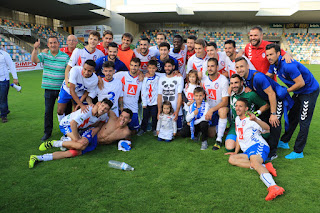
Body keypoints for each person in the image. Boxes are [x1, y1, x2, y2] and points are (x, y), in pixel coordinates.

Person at [265, 43, 320, 159]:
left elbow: (301, 83)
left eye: (271, 54)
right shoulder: (273, 65)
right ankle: (284, 141)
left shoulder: (288, 66)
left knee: (304, 120)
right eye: (267, 55)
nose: (269, 57)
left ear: (278, 54)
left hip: (309, 91)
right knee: (292, 116)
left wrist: (286, 91)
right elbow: (267, 77)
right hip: (299, 92)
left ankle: (298, 151)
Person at [225, 98, 284, 201]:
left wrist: (256, 119)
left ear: (246, 108)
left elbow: (267, 128)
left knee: (255, 163)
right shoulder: (238, 120)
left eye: (240, 106)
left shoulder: (251, 119)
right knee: (232, 159)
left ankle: (273, 187)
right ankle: (265, 166)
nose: (237, 108)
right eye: (236, 106)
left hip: (258, 146)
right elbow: (239, 136)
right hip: (248, 150)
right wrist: (235, 152)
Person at [235, 56, 293, 160]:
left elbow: (271, 94)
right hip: (268, 101)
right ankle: (265, 144)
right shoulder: (244, 78)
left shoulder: (258, 77)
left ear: (248, 66)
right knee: (263, 121)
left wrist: (273, 114)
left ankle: (273, 152)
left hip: (277, 99)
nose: (239, 69)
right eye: (237, 67)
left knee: (274, 122)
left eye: (242, 67)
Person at [29, 99, 113, 169]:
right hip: (67, 124)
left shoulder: (103, 115)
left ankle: (39, 157)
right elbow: (73, 123)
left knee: (78, 148)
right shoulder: (87, 110)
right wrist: (77, 139)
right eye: (102, 106)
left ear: (108, 111)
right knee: (79, 144)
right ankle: (55, 143)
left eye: (106, 108)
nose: (103, 109)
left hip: (80, 129)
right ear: (98, 104)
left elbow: (101, 122)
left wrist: (96, 129)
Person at [31, 36, 70, 141]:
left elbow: (68, 71)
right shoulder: (44, 55)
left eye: (55, 43)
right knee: (48, 111)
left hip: (61, 90)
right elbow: (34, 60)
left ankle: (68, 131)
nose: (53, 45)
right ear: (48, 45)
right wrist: (35, 49)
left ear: (58, 44)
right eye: (51, 43)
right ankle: (47, 132)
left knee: (65, 111)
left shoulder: (65, 57)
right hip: (48, 88)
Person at [226, 74, 269, 152]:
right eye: (231, 83)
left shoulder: (250, 94)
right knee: (229, 147)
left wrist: (255, 114)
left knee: (266, 133)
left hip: (249, 124)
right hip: (236, 124)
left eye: (236, 83)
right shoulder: (231, 92)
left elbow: (265, 105)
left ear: (242, 83)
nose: (233, 85)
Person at [202, 58, 229, 150]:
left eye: (212, 66)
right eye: (208, 66)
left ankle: (219, 140)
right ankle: (220, 127)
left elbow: (225, 102)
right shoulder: (204, 80)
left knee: (222, 111)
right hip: (211, 109)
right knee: (210, 134)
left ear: (217, 67)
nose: (210, 68)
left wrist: (211, 110)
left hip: (220, 107)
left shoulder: (223, 80)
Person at [114, 58, 143, 133]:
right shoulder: (121, 75)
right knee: (118, 128)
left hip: (134, 108)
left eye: (136, 66)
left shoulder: (141, 79)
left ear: (139, 67)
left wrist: (142, 74)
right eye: (132, 65)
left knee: (134, 131)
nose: (133, 67)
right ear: (129, 65)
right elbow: (108, 76)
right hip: (122, 107)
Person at [158, 59, 184, 130]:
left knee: (178, 132)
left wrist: (177, 111)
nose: (167, 68)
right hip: (165, 112)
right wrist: (159, 111)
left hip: (176, 110)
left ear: (173, 67)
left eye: (169, 66)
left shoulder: (179, 78)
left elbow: (180, 95)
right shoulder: (161, 78)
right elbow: (159, 96)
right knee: (164, 130)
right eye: (166, 66)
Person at [138, 60, 162, 136]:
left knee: (154, 116)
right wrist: (144, 102)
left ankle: (154, 129)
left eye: (153, 68)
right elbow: (143, 91)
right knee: (145, 116)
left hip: (155, 102)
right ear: (147, 68)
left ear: (156, 69)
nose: (151, 70)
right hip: (147, 102)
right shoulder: (145, 78)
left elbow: (165, 75)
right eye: (150, 68)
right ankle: (143, 129)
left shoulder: (158, 77)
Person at [0, 49, 18, 123]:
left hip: (3, 80)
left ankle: (3, 116)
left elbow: (11, 65)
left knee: (3, 98)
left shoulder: (4, 54)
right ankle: (5, 110)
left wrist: (15, 77)